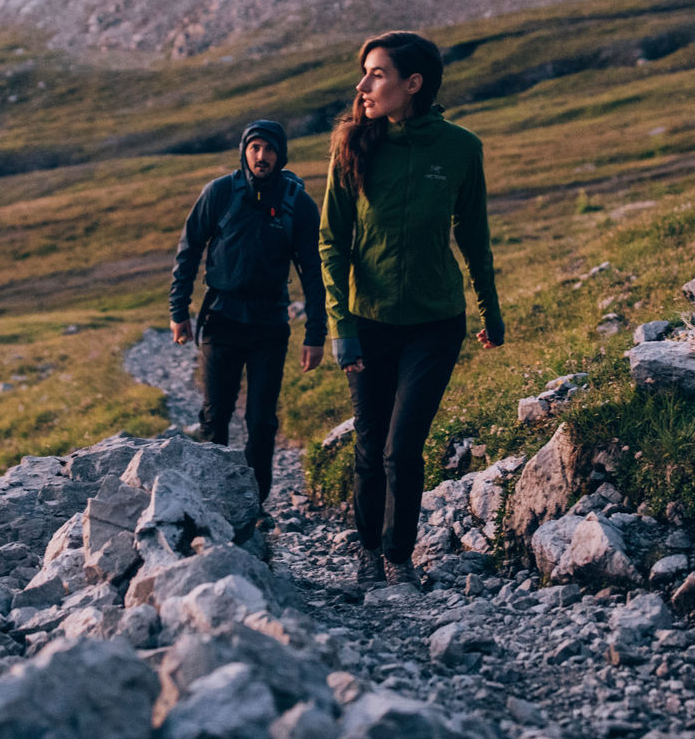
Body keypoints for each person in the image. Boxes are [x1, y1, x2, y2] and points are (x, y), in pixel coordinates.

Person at [319, 31, 504, 588]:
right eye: (365, 73)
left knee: (403, 448)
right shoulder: (352, 145)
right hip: (368, 321)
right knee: (370, 445)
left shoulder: (461, 148)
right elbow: (332, 242)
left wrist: (490, 311)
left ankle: (399, 558)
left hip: (435, 323)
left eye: (377, 74)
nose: (363, 85)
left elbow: (474, 236)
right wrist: (340, 326)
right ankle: (368, 551)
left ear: (413, 83)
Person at [169, 120, 327, 501]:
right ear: (244, 151)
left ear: (281, 155)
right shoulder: (220, 193)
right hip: (221, 318)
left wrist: (315, 334)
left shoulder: (297, 204)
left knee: (261, 421)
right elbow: (189, 250)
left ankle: (255, 504)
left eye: (269, 149)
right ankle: (213, 502)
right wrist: (179, 311)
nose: (261, 156)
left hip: (270, 324)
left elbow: (312, 271)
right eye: (254, 147)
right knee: (214, 416)